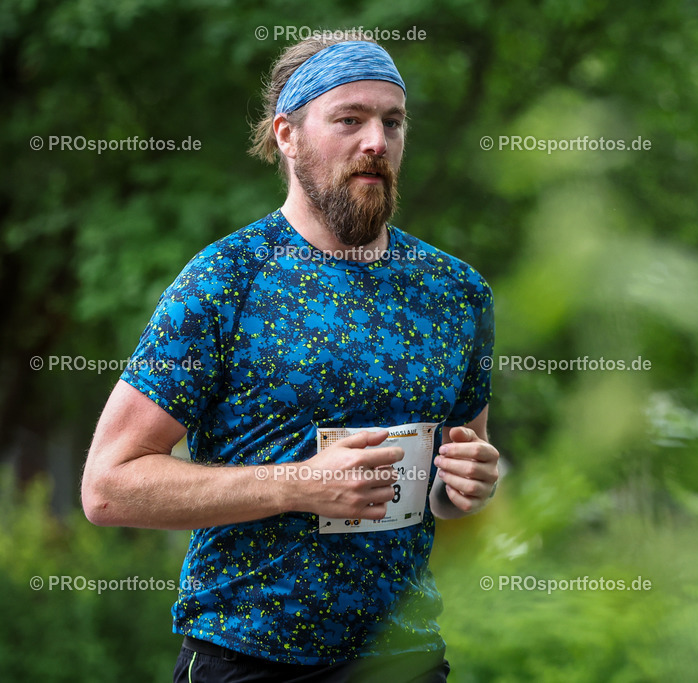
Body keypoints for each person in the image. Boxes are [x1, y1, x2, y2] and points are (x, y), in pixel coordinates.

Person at [81, 34, 499, 682]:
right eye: (350, 119)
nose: (376, 142)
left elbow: (449, 488)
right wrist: (300, 484)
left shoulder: (456, 292)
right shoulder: (226, 279)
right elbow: (108, 486)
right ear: (288, 135)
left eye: (393, 121)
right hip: (247, 660)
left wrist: (464, 486)